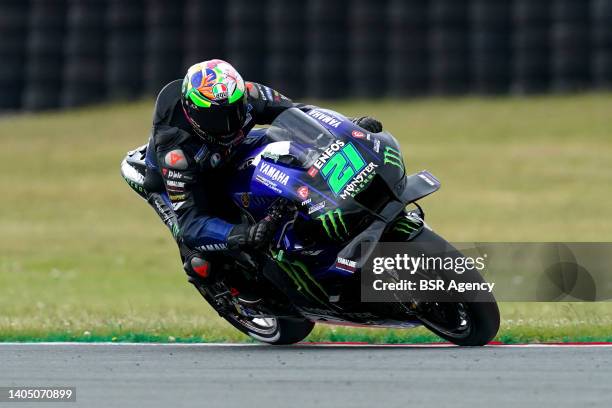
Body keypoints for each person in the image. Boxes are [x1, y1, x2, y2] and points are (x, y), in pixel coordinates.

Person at [135, 59, 383, 284]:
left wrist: (347, 127)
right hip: (185, 180)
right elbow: (191, 223)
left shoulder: (248, 93)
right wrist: (241, 234)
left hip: (233, 150)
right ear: (194, 113)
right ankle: (239, 292)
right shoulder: (175, 152)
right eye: (218, 118)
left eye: (235, 111)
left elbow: (298, 113)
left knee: (287, 148)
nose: (230, 122)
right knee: (201, 264)